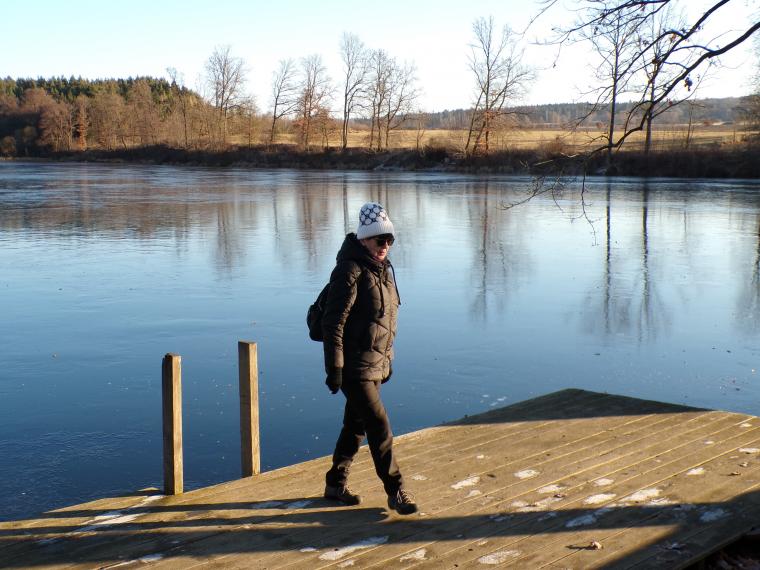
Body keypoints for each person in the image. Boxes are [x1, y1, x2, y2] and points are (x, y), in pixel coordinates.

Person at [321, 202, 418, 515]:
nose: (385, 245)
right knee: (378, 424)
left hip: (374, 364)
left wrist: (386, 362)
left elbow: (385, 322)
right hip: (353, 366)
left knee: (356, 425)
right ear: (364, 239)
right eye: (379, 240)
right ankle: (396, 490)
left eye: (390, 240)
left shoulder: (384, 271)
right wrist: (335, 368)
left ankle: (335, 484)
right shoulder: (349, 271)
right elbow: (333, 323)